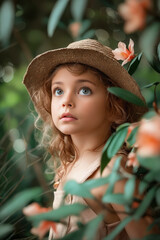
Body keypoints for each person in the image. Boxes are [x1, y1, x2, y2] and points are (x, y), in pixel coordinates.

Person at [23, 39, 152, 239]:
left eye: (84, 90)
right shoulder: (67, 168)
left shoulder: (112, 172)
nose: (66, 101)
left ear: (115, 109)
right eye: (58, 91)